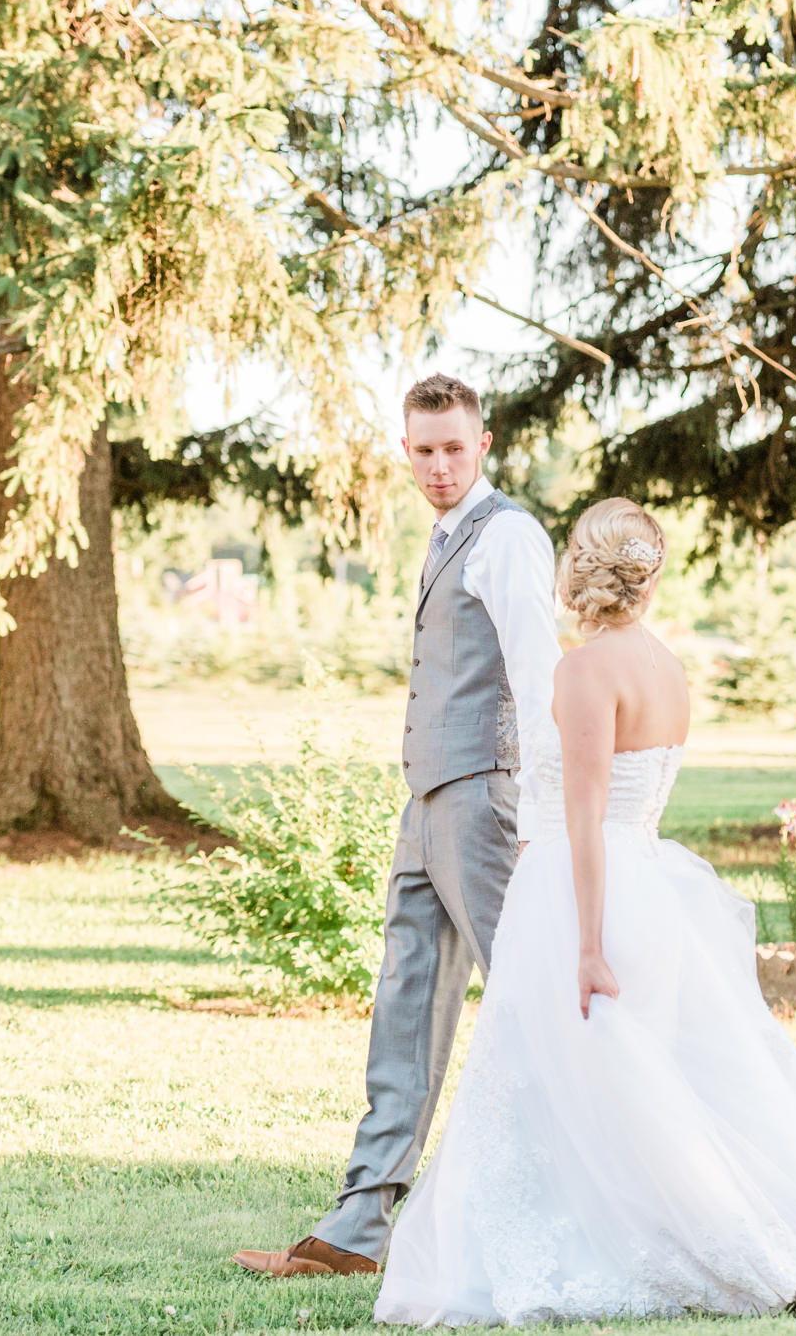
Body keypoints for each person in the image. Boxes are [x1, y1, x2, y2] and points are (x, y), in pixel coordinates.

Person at [373, 498, 796, 1325]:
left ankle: (677, 1249)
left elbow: (587, 818)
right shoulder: (667, 667)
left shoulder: (586, 672)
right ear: (647, 577)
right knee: (640, 1088)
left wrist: (587, 946)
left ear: (581, 573)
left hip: (588, 898)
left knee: (575, 1087)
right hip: (650, 886)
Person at [234, 374, 561, 1280]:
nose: (440, 465)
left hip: (485, 802)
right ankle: (357, 1229)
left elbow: (539, 679)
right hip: (426, 802)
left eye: (455, 447)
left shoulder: (509, 538)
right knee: (406, 1001)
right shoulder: (443, 535)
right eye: (423, 450)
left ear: (484, 444)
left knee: (527, 1001)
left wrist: (537, 810)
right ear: (406, 450)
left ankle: (576, 1198)